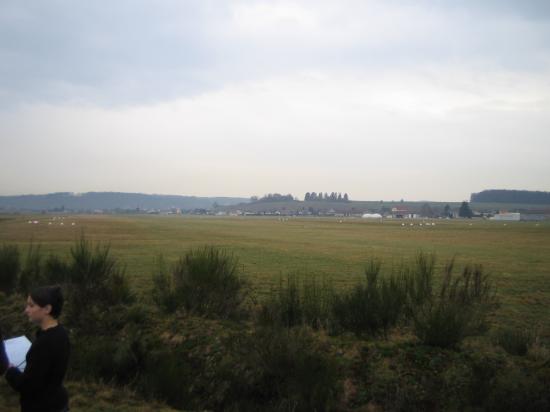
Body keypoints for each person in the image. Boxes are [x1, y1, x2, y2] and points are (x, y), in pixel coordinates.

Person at [3, 286, 71, 412]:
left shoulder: (45, 342)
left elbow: (27, 385)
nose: (26, 310)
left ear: (47, 309)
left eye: (31, 305)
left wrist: (8, 368)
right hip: (58, 402)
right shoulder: (61, 333)